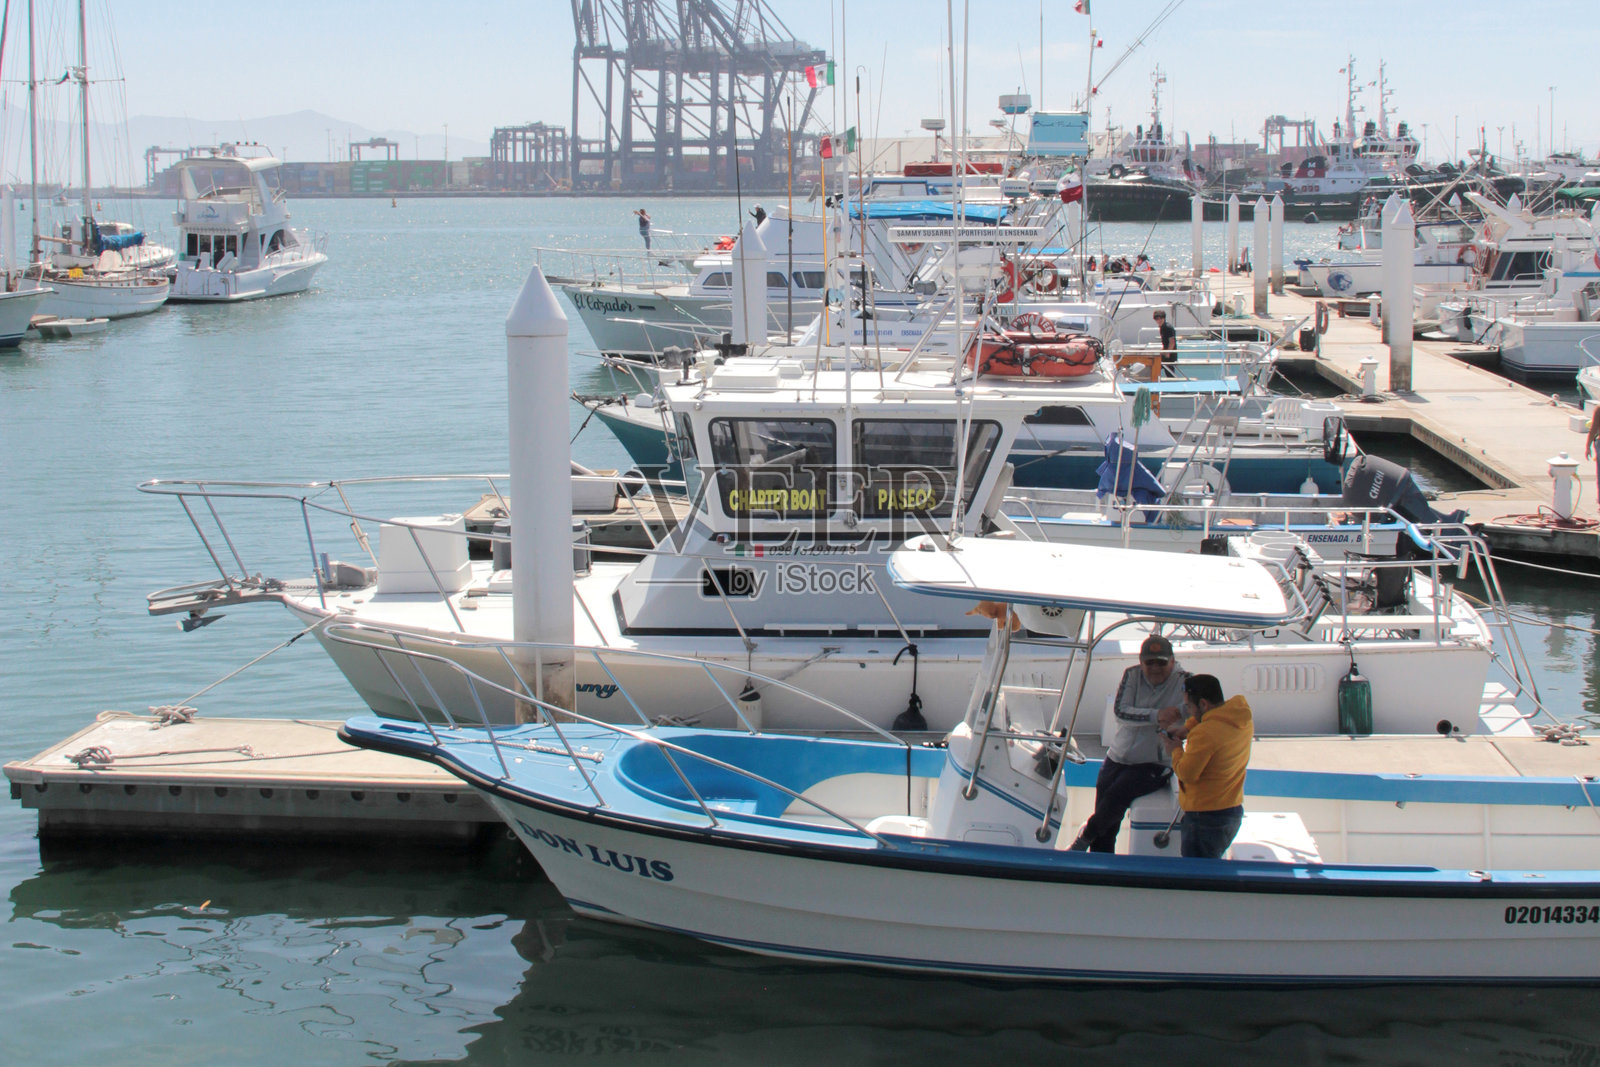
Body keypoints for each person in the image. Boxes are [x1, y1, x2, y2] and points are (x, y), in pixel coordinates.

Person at [1068, 635, 1190, 853]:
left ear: (1172, 661)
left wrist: (1179, 724)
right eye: (1149, 662)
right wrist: (1157, 716)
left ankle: (1082, 839)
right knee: (1106, 818)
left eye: (1161, 662)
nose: (1155, 668)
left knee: (1117, 796)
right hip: (1117, 756)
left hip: (1155, 762)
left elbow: (1197, 717)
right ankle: (1099, 867)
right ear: (1141, 662)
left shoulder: (1186, 682)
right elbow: (1121, 712)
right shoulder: (1132, 675)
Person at [1161, 673, 1252, 859]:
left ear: (1203, 704)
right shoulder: (1241, 717)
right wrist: (1188, 728)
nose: (1188, 711)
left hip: (1204, 820)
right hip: (1231, 811)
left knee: (1196, 877)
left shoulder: (1204, 734)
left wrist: (1176, 749)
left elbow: (1187, 773)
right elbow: (1213, 718)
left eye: (1189, 706)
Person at [1153, 310, 1177, 374]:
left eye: (1161, 318)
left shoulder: (1167, 327)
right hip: (1166, 353)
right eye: (1157, 319)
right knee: (1158, 367)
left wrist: (1168, 353)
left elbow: (1172, 341)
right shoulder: (1162, 327)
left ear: (1164, 318)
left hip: (1169, 355)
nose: (1159, 320)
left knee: (1169, 372)